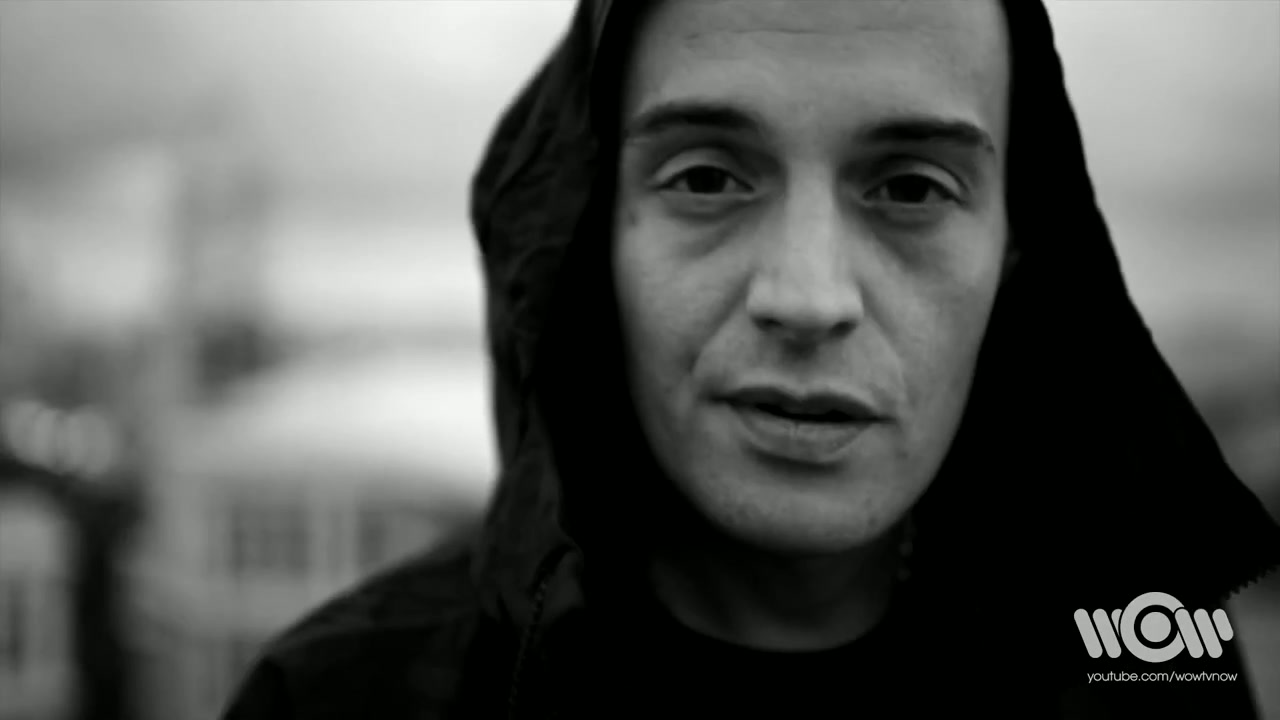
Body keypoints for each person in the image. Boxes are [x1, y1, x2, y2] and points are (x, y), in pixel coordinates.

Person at [222, 1, 1280, 717]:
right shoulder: (349, 696)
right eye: (705, 178)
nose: (808, 299)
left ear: (1015, 252)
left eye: (911, 188)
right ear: (587, 235)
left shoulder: (1138, 666)